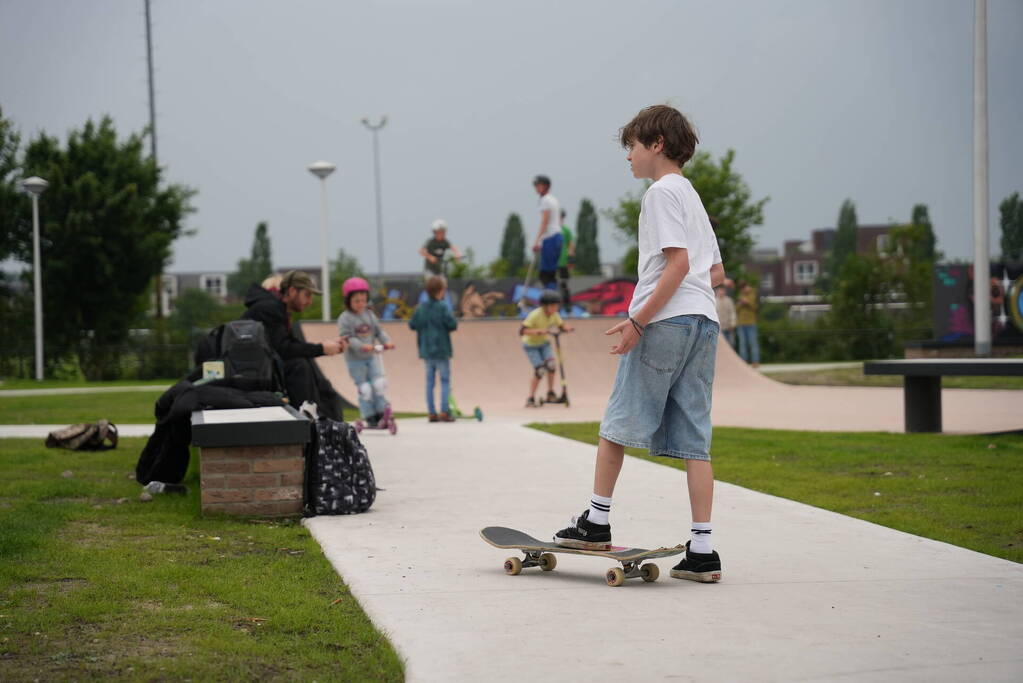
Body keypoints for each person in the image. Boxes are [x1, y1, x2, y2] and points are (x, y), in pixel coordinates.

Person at [551, 104, 727, 583]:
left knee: (619, 421)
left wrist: (638, 319)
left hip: (666, 321)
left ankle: (596, 522)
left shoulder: (660, 194)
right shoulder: (690, 194)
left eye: (632, 146)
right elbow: (715, 271)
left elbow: (676, 264)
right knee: (695, 439)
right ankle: (703, 550)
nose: (628, 156)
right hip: (704, 322)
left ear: (657, 145)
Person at [241, 270, 348, 419]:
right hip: (253, 370)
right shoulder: (270, 308)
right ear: (291, 291)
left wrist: (324, 347)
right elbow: (283, 349)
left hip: (263, 365)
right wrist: (321, 348)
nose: (310, 302)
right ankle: (310, 418)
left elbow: (289, 344)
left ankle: (324, 417)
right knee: (299, 365)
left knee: (305, 361)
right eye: (307, 295)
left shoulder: (277, 309)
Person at [338, 277, 394, 427]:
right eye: (357, 301)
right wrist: (362, 345)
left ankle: (382, 412)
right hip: (355, 360)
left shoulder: (369, 315)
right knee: (365, 389)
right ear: (348, 300)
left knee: (379, 384)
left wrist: (386, 341)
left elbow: (378, 331)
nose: (361, 304)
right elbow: (347, 337)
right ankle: (370, 416)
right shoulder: (345, 318)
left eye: (363, 300)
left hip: (371, 357)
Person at [409, 276, 459, 422]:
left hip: (426, 350)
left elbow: (412, 325)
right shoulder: (443, 306)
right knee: (444, 380)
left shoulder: (421, 307)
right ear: (441, 291)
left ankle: (431, 412)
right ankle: (444, 411)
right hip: (442, 349)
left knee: (429, 382)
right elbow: (452, 324)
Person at [521, 289, 574, 407]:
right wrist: (537, 331)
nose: (556, 308)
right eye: (554, 305)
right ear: (545, 306)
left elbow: (560, 325)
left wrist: (566, 328)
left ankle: (550, 393)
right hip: (530, 345)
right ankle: (530, 398)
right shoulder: (535, 315)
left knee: (551, 365)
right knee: (540, 370)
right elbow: (522, 330)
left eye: (557, 305)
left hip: (544, 343)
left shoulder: (554, 315)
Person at [531, 175, 562, 290]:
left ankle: (550, 296)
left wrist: (537, 241)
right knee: (550, 272)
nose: (536, 188)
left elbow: (545, 221)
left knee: (546, 273)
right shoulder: (553, 199)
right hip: (557, 236)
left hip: (551, 238)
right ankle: (551, 295)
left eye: (539, 185)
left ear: (546, 186)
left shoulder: (545, 200)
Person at [736, 280, 760, 367]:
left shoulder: (753, 294)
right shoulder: (740, 295)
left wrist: (747, 302)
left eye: (743, 288)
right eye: (741, 289)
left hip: (751, 322)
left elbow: (755, 307)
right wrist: (741, 303)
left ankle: (755, 362)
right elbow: (737, 308)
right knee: (742, 343)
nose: (742, 291)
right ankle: (744, 363)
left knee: (753, 343)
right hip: (741, 323)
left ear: (747, 287)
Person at [557, 209, 576, 314]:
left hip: (563, 262)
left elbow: (571, 245)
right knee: (553, 286)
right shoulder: (551, 230)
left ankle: (568, 308)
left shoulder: (566, 230)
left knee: (564, 286)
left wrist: (570, 260)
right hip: (553, 263)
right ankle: (555, 309)